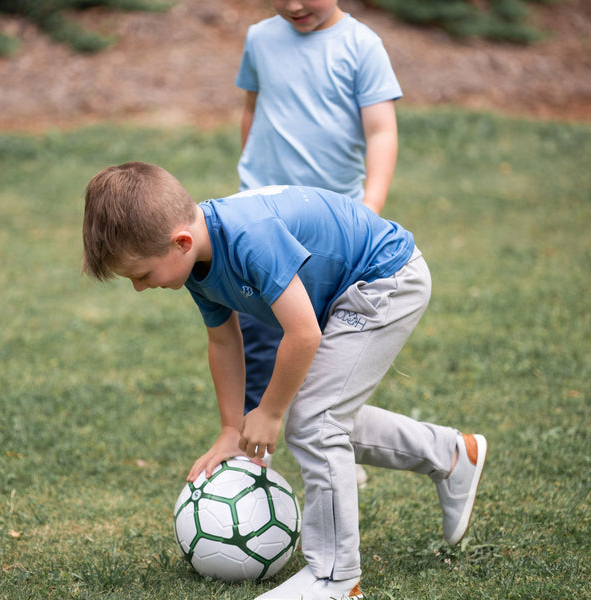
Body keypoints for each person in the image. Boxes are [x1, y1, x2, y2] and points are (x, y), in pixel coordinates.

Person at [82, 162, 487, 600]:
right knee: (322, 417)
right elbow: (223, 341)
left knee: (314, 423)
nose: (140, 288)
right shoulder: (196, 261)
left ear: (180, 242)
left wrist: (271, 410)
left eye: (142, 276)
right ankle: (451, 456)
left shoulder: (248, 238)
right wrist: (231, 430)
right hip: (348, 291)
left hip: (384, 279)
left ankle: (336, 579)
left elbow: (303, 332)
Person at [235, 0, 403, 421]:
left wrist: (371, 207)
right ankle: (253, 459)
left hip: (331, 226)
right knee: (256, 335)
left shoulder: (362, 46)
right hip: (262, 217)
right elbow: (253, 109)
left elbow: (381, 131)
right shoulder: (260, 38)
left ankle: (339, 437)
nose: (293, 5)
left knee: (333, 346)